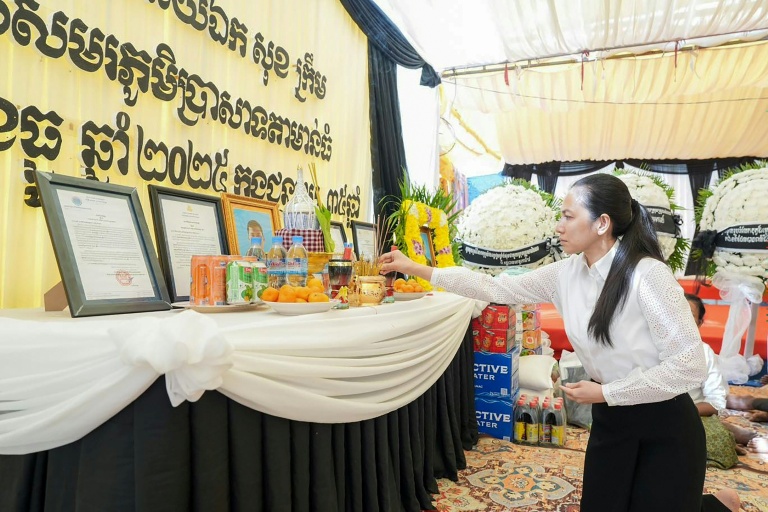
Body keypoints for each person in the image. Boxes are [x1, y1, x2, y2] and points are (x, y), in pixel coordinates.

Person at [379, 173, 737, 511]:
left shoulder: (648, 275)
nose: (558, 226)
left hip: (664, 423)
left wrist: (607, 392)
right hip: (611, 420)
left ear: (602, 223)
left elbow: (689, 365)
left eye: (568, 216)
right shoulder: (566, 273)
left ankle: (720, 504)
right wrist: (417, 268)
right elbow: (495, 287)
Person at [684, 293, 740, 469]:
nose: (680, 319)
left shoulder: (704, 352)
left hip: (688, 416)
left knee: (721, 443)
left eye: (689, 315)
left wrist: (683, 411)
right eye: (675, 312)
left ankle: (730, 434)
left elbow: (716, 402)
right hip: (651, 416)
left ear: (699, 323)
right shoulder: (647, 346)